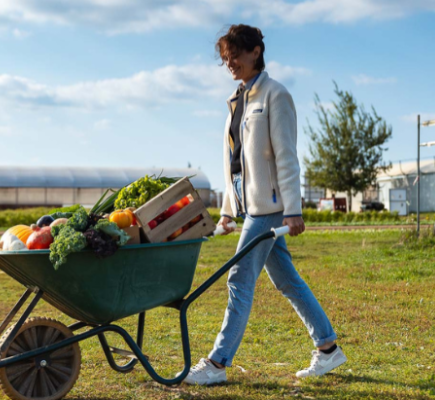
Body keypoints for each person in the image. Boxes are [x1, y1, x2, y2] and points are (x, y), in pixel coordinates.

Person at [182, 24, 346, 385]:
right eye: (225, 58)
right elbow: (233, 163)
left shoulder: (276, 95)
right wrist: (228, 210)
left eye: (235, 55)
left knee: (239, 278)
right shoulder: (237, 100)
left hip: (270, 208)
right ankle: (328, 349)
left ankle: (217, 363)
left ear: (256, 51)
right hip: (251, 206)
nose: (230, 62)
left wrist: (293, 209)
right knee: (286, 279)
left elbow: (286, 156)